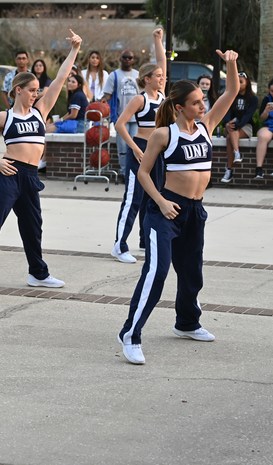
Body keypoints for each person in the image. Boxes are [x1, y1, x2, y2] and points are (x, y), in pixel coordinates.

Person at [117, 49, 240, 365]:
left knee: (191, 272)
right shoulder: (163, 134)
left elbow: (232, 90)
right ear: (180, 106)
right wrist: (160, 201)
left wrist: (230, 62)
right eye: (197, 102)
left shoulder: (206, 126)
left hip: (195, 211)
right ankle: (130, 334)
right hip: (165, 212)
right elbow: (143, 173)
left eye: (203, 101)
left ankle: (186, 323)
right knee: (156, 273)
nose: (203, 106)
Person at [0, 30, 83, 304]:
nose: (35, 94)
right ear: (18, 90)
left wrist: (74, 50)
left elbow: (62, 78)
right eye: (31, 90)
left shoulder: (40, 112)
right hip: (7, 175)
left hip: (30, 176)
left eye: (37, 91)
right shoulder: (3, 116)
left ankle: (38, 273)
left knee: (33, 227)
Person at [111, 29, 168, 264]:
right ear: (147, 79)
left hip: (159, 151)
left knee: (154, 197)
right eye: (158, 75)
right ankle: (120, 245)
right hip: (142, 148)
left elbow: (162, 61)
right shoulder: (140, 99)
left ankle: (145, 241)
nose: (162, 77)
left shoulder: (162, 96)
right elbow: (120, 124)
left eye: (162, 75)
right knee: (133, 199)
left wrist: (157, 40)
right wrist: (134, 147)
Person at [102, 50, 140, 179]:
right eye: (125, 57)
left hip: (136, 118)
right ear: (120, 58)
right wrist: (100, 103)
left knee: (135, 145)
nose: (127, 59)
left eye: (130, 57)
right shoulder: (114, 75)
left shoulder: (138, 75)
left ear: (133, 60)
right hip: (121, 118)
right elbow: (107, 95)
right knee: (123, 147)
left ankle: (134, 172)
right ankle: (124, 172)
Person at [220, 72, 258, 184]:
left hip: (245, 126)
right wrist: (226, 123)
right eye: (237, 81)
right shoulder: (231, 96)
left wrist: (236, 125)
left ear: (247, 83)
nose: (239, 84)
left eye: (241, 82)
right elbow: (226, 112)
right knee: (231, 131)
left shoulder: (253, 98)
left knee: (229, 137)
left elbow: (248, 116)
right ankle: (236, 154)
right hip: (231, 125)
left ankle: (229, 169)